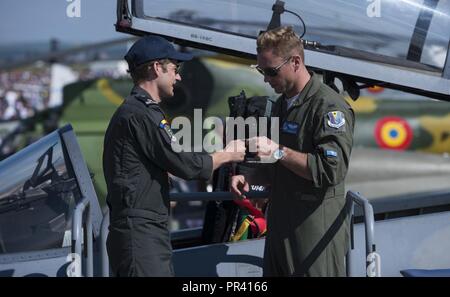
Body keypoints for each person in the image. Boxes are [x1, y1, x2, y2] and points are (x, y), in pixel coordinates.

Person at [103, 35, 245, 277]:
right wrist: (228, 154)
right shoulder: (141, 114)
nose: (178, 77)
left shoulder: (139, 111)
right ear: (157, 68)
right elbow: (185, 164)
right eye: (174, 69)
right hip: (141, 235)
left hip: (145, 231)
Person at [230, 26, 355, 277]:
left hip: (312, 235)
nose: (266, 79)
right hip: (280, 228)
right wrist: (252, 180)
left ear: (296, 62)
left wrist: (277, 151)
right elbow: (281, 166)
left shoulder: (328, 107)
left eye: (271, 71)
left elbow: (331, 170)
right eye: (261, 71)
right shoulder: (282, 104)